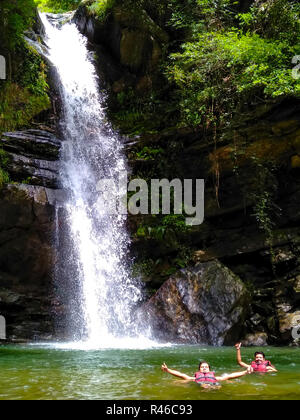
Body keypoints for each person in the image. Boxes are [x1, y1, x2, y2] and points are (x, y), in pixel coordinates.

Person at [161, 361, 250, 388]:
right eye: (202, 367)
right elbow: (181, 374)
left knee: (219, 385)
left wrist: (245, 372)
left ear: (209, 369)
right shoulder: (194, 378)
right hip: (202, 384)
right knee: (177, 382)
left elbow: (230, 376)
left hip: (214, 383)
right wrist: (168, 370)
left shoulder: (215, 377)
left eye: (206, 367)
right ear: (199, 369)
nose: (204, 368)